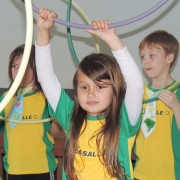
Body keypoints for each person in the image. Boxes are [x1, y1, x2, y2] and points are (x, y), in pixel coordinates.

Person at [35, 8, 144, 180]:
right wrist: (42, 31)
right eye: (84, 87)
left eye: (100, 87)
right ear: (77, 92)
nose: (91, 93)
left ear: (115, 90)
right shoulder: (70, 115)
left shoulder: (124, 119)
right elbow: (46, 78)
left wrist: (112, 39)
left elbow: (136, 85)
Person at [0, 44, 58, 180]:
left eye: (25, 66)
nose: (18, 71)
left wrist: (57, 122)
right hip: (14, 169)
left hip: (42, 168)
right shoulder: (5, 99)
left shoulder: (46, 98)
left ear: (36, 69)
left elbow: (55, 132)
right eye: (14, 66)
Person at [133, 30, 180, 180]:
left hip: (171, 174)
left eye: (152, 56)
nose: (145, 61)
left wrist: (176, 106)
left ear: (169, 57)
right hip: (140, 173)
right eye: (143, 56)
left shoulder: (177, 92)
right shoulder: (138, 93)